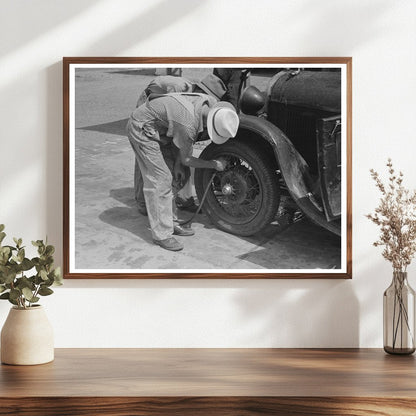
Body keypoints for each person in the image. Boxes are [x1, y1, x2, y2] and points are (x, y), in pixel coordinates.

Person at [127, 93, 239, 251]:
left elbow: (181, 148)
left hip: (163, 129)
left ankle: (170, 222)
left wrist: (179, 165)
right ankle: (162, 235)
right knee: (161, 179)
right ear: (210, 125)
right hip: (142, 128)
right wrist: (213, 164)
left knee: (178, 174)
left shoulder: (210, 104)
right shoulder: (188, 124)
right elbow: (187, 157)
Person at [134, 74, 227, 215]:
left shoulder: (197, 103)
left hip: (172, 117)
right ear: (201, 92)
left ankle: (184, 199)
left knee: (182, 151)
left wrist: (180, 159)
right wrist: (212, 164)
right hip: (148, 107)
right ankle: (143, 202)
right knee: (148, 158)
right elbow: (178, 124)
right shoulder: (177, 89)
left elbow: (185, 146)